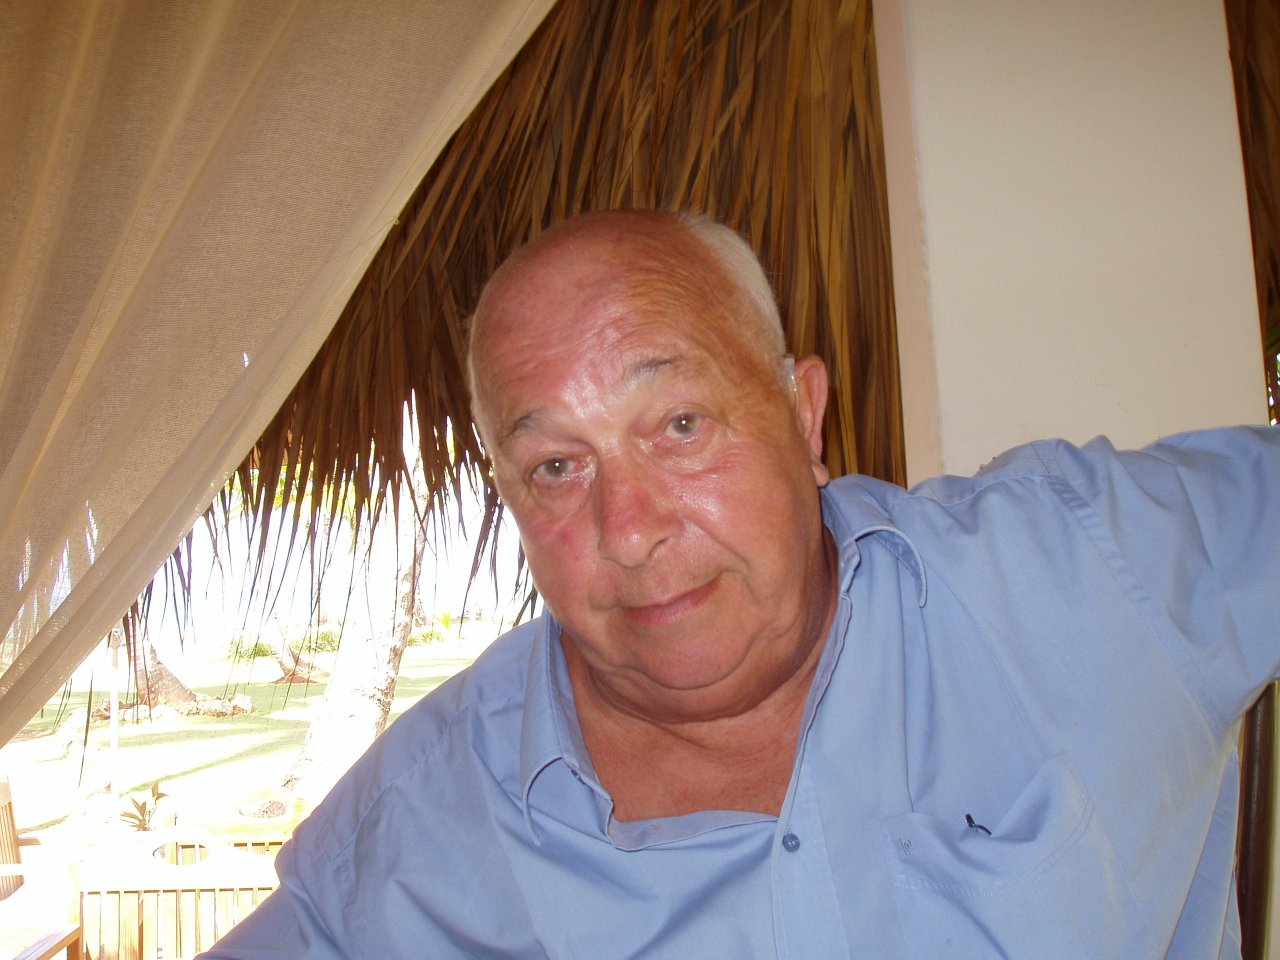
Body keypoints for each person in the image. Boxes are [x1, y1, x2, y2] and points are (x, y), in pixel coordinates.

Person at [202, 210, 1279, 959]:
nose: (629, 530)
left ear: (803, 417)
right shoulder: (418, 826)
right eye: (557, 468)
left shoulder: (1080, 568)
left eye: (679, 425)